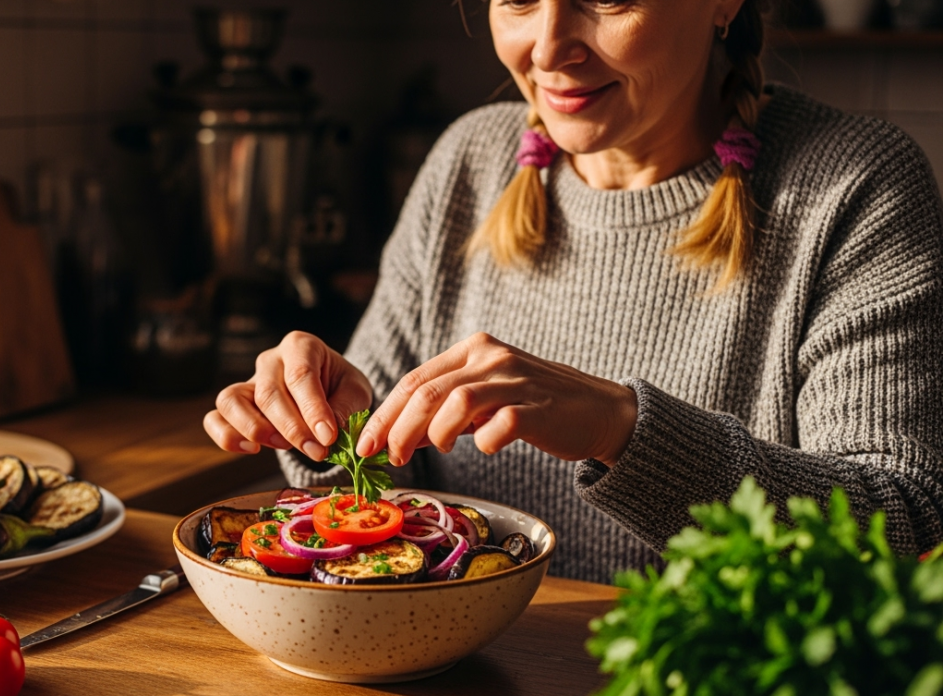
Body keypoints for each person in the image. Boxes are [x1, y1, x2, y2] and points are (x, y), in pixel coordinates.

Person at [202, 0, 943, 583]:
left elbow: (902, 528)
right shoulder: (469, 160)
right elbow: (384, 498)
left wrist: (619, 428)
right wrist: (331, 422)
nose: (549, 48)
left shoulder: (856, 185)